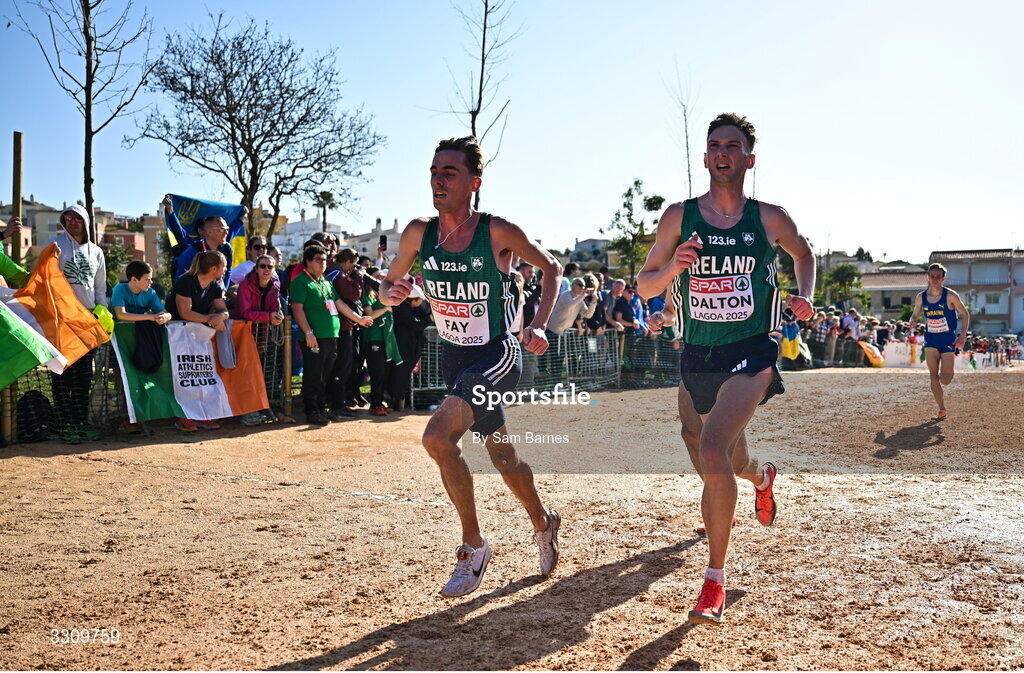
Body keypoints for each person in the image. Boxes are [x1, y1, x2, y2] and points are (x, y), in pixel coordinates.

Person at [636, 113, 815, 625]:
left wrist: (804, 295)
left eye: (732, 146)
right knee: (716, 453)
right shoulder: (679, 217)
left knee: (713, 450)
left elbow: (804, 254)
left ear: (749, 159)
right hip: (699, 354)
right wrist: (674, 267)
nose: (722, 152)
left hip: (752, 349)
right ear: (705, 156)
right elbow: (645, 284)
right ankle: (760, 478)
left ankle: (713, 581)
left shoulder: (769, 218)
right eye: (715, 145)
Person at [380, 135, 563, 598]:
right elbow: (387, 285)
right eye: (434, 172)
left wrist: (539, 325)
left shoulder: (497, 231)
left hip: (497, 354)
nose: (438, 180)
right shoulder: (418, 233)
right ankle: (544, 522)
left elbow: (552, 268)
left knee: (437, 437)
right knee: (503, 457)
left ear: (474, 183)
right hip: (454, 357)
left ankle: (473, 548)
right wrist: (392, 293)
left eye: (450, 173)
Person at [44, 205, 109, 443]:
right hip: (61, 319)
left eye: (77, 218)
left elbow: (100, 287)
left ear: (85, 221)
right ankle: (64, 424)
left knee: (83, 375)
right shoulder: (54, 245)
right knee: (62, 372)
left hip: (87, 320)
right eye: (68, 218)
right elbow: (45, 280)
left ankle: (80, 422)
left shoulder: (97, 252)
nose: (71, 221)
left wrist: (102, 312)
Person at [290, 244, 372, 425]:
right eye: (318, 260)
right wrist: (308, 332)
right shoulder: (300, 281)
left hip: (331, 336)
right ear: (308, 261)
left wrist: (359, 319)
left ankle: (321, 407)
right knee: (314, 375)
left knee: (325, 376)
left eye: (324, 259)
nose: (322, 263)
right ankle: (312, 410)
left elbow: (339, 303)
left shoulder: (325, 281)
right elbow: (297, 309)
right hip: (314, 337)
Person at [166, 250, 232, 432]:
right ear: (213, 268)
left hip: (198, 337)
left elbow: (223, 310)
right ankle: (183, 416)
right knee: (182, 376)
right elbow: (185, 313)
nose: (226, 270)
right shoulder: (186, 282)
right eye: (224, 267)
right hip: (176, 336)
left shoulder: (215, 286)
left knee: (201, 375)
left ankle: (203, 414)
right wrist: (210, 319)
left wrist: (221, 317)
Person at [909, 263, 969, 420]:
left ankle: (947, 374)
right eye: (932, 276)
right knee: (933, 375)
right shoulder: (921, 297)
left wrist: (962, 336)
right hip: (931, 340)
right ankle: (942, 409)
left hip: (948, 340)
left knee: (945, 380)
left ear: (943, 278)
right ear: (928, 277)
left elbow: (965, 314)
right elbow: (914, 315)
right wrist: (912, 321)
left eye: (938, 277)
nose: (935, 279)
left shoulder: (950, 296)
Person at [233, 253, 284, 426]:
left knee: (261, 372)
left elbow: (274, 308)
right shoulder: (246, 285)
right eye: (262, 266)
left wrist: (277, 315)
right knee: (246, 372)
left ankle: (259, 407)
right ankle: (246, 412)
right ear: (256, 269)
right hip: (243, 333)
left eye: (270, 267)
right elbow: (245, 313)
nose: (266, 269)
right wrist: (268, 317)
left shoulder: (274, 285)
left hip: (262, 335)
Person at [165, 195, 234, 286]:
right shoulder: (193, 250)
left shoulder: (226, 248)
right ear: (208, 232)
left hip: (216, 290)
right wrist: (171, 213)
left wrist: (223, 289)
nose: (226, 233)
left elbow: (228, 271)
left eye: (227, 229)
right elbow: (180, 279)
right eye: (222, 229)